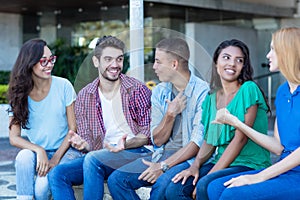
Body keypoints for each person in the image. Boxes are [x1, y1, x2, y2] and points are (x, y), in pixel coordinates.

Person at [48, 35, 152, 200]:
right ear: (96, 61)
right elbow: (90, 145)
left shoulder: (137, 89)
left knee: (93, 159)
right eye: (108, 59)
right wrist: (84, 145)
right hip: (102, 156)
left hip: (136, 154)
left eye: (119, 59)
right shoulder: (85, 96)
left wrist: (125, 144)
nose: (115, 65)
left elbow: (147, 134)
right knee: (58, 174)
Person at [105, 37, 209, 200]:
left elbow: (196, 144)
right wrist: (170, 115)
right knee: (117, 180)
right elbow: (158, 141)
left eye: (158, 62)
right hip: (161, 154)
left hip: (188, 158)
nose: (154, 67)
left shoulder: (203, 93)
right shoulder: (160, 91)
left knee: (160, 188)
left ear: (174, 64)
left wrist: (163, 166)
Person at [168, 39, 271, 200]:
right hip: (222, 161)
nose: (232, 64)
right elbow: (210, 140)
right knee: (175, 188)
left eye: (239, 60)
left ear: (244, 66)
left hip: (249, 164)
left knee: (205, 185)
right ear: (216, 62)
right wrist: (195, 166)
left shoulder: (248, 89)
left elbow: (240, 139)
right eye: (226, 57)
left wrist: (210, 174)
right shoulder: (211, 98)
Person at [207, 27, 300, 200]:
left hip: (296, 177)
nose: (268, 55)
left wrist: (259, 176)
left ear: (288, 53)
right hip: (285, 170)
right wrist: (237, 123)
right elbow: (278, 146)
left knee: (232, 195)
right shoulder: (282, 92)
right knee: (215, 188)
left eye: (273, 49)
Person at [7, 38, 77, 200]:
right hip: (38, 151)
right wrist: (39, 150)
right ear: (30, 63)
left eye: (51, 59)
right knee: (23, 157)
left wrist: (55, 159)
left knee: (41, 189)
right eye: (43, 61)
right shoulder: (19, 93)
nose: (50, 64)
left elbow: (73, 129)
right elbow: (14, 137)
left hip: (65, 151)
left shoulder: (64, 86)